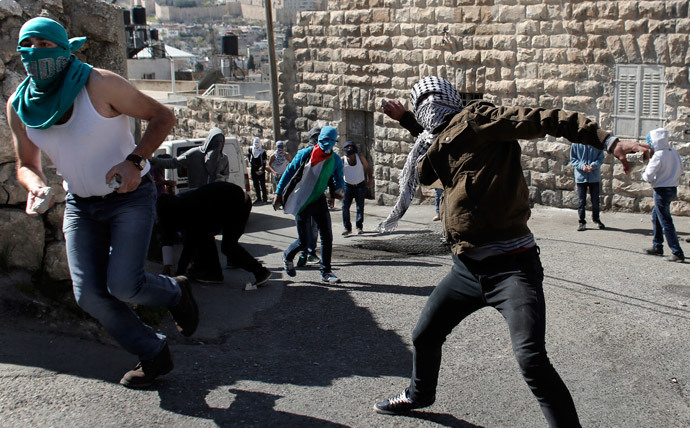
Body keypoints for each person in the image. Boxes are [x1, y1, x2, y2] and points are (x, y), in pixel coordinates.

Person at [373, 76, 652, 427]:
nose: (428, 106)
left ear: (449, 99)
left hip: (512, 269)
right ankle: (419, 394)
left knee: (531, 359)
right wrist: (407, 121)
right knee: (425, 335)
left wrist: (609, 142)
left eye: (432, 98)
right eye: (421, 101)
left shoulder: (481, 120)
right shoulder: (440, 140)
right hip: (467, 269)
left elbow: (548, 119)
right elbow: (436, 140)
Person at [7, 17, 198, 389]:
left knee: (124, 285)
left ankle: (176, 290)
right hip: (81, 205)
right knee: (89, 295)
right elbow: (27, 164)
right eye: (28, 45)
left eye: (46, 45)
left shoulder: (98, 83)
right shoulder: (20, 105)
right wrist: (33, 184)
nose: (37, 53)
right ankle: (153, 352)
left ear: (64, 47)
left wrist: (135, 161)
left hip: (129, 197)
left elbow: (163, 116)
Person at [375, 91, 462, 233]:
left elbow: (436, 136)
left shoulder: (465, 132)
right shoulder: (442, 135)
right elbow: (432, 135)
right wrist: (403, 117)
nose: (431, 110)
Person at [157, 182, 272, 285]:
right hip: (221, 206)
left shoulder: (188, 208)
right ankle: (214, 271)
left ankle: (260, 272)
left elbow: (189, 245)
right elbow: (167, 237)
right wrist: (168, 267)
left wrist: (179, 274)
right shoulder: (172, 208)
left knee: (228, 246)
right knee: (203, 237)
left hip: (238, 203)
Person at [272, 126, 345, 284]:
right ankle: (288, 256)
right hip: (302, 200)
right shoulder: (305, 154)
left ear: (334, 143)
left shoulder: (335, 160)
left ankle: (326, 271)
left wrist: (339, 190)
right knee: (304, 241)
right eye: (324, 140)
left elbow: (338, 178)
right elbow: (289, 172)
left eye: (331, 141)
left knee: (327, 236)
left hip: (318, 199)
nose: (327, 144)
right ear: (319, 140)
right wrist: (278, 193)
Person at [642, 128, 685, 262]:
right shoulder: (674, 152)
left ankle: (677, 252)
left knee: (666, 221)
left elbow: (648, 175)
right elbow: (681, 169)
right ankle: (657, 246)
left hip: (661, 190)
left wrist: (646, 177)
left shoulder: (659, 155)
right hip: (672, 188)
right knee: (656, 216)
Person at [150, 127, 229, 190]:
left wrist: (221, 179)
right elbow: (174, 162)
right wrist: (152, 160)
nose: (218, 144)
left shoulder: (224, 159)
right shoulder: (195, 154)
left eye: (221, 142)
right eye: (216, 141)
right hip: (196, 195)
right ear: (210, 141)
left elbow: (225, 175)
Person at [296, 126, 323, 268]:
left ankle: (310, 252)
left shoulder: (323, 154)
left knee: (313, 227)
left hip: (316, 195)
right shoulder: (304, 153)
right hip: (303, 196)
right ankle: (303, 252)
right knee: (305, 226)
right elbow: (293, 173)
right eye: (315, 137)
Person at [570, 143, 606, 231]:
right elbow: (573, 159)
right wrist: (582, 166)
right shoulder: (575, 144)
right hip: (581, 177)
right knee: (581, 201)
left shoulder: (596, 143)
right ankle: (581, 221)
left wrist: (593, 165)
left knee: (595, 200)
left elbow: (601, 158)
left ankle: (596, 219)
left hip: (594, 177)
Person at [341, 141, 373, 235]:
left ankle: (359, 226)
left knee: (360, 207)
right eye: (347, 148)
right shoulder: (343, 160)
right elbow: (336, 171)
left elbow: (367, 168)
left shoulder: (360, 157)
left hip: (360, 185)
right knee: (345, 207)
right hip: (347, 186)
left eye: (351, 148)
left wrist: (370, 180)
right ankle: (347, 228)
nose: (349, 150)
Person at [248, 137, 268, 204]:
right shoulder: (250, 149)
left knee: (262, 184)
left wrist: (261, 170)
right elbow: (250, 159)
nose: (256, 145)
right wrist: (255, 169)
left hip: (260, 169)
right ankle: (258, 198)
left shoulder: (262, 152)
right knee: (256, 184)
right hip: (254, 169)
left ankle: (264, 198)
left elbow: (264, 162)